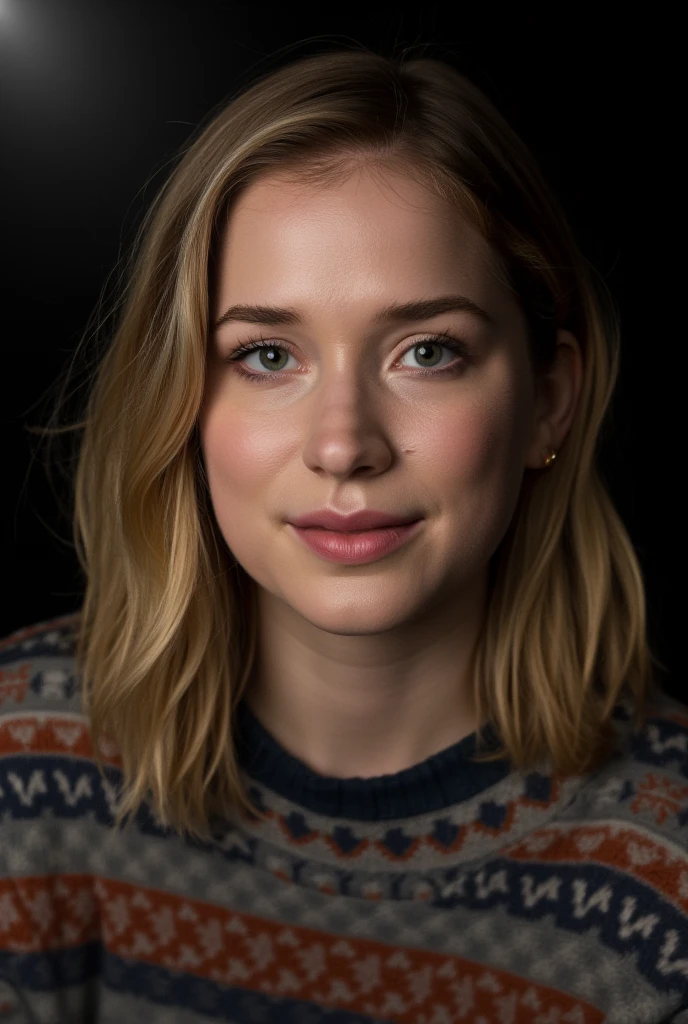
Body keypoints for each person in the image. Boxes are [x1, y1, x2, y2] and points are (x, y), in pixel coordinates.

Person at [1, 44, 686, 1024]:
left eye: (426, 351)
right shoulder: (21, 767)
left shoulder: (664, 876)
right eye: (268, 354)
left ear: (548, 400)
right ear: (180, 401)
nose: (342, 445)